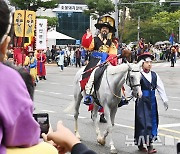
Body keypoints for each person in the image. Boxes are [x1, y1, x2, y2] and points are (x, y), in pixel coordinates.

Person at [81, 16, 118, 123]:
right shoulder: (95, 39)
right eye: (103, 28)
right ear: (100, 29)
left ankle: (120, 96)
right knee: (91, 75)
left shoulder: (112, 42)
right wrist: (87, 37)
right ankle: (88, 94)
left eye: (107, 29)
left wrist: (110, 59)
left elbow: (113, 53)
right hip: (95, 61)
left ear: (109, 31)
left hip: (107, 62)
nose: (105, 30)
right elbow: (88, 47)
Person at [135, 52, 168, 153]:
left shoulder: (154, 75)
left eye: (150, 62)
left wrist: (165, 100)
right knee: (143, 123)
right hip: (142, 102)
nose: (149, 64)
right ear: (142, 63)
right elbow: (134, 88)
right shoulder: (138, 75)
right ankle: (146, 145)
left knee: (153, 122)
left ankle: (147, 143)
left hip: (152, 101)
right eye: (147, 62)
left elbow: (160, 87)